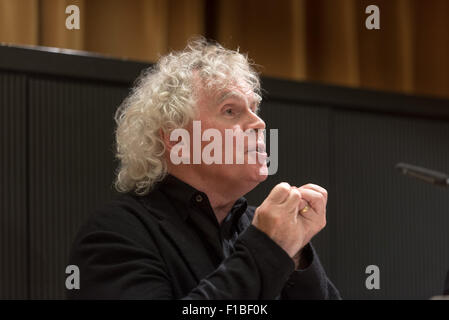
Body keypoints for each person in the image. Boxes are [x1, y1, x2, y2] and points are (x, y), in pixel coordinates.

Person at [67, 37, 340, 299]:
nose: (259, 123)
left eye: (255, 109)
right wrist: (267, 250)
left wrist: (294, 255)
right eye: (231, 111)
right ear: (176, 140)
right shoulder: (117, 233)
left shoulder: (263, 228)